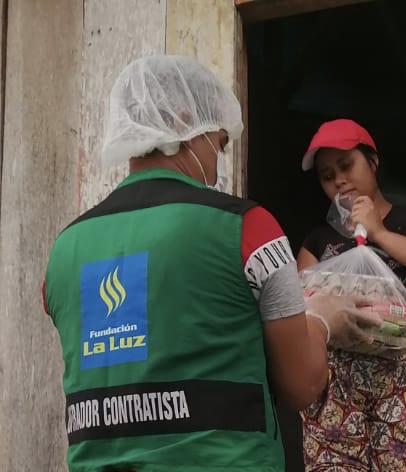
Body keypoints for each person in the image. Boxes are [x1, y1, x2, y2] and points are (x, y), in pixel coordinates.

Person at [41, 56, 380, 472]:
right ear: (186, 122)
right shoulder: (248, 227)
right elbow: (300, 385)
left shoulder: (63, 250)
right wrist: (322, 319)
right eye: (219, 144)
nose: (218, 164)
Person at [297, 118, 406, 472]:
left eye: (347, 165)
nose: (339, 180)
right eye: (327, 175)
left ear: (372, 162)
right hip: (336, 384)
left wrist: (379, 233)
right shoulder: (317, 241)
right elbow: (300, 313)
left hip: (404, 377)